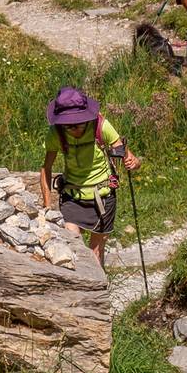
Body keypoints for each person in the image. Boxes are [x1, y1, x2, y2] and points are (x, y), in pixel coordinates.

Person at [38, 85, 140, 264]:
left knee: (95, 254)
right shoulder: (56, 133)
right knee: (72, 245)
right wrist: (47, 205)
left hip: (103, 197)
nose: (74, 129)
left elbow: (127, 155)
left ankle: (98, 281)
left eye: (79, 123)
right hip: (72, 197)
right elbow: (46, 168)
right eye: (68, 125)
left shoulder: (101, 125)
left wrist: (134, 162)